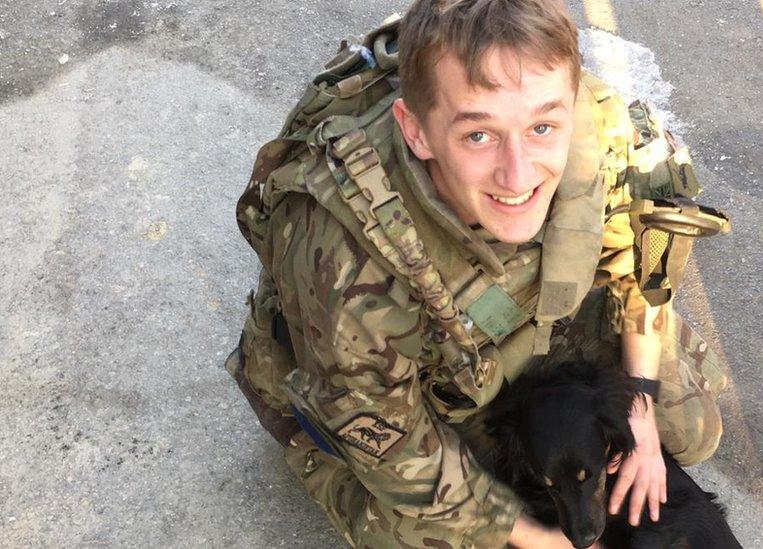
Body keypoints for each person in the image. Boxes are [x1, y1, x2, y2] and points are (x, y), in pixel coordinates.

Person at [226, 0, 730, 547]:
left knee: (690, 428)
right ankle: (317, 466)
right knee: (431, 535)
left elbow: (640, 275)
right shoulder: (348, 257)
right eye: (478, 135)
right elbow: (393, 447)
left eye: (542, 126)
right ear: (417, 132)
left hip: (522, 321)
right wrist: (536, 537)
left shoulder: (597, 125)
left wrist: (640, 409)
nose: (518, 174)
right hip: (412, 384)